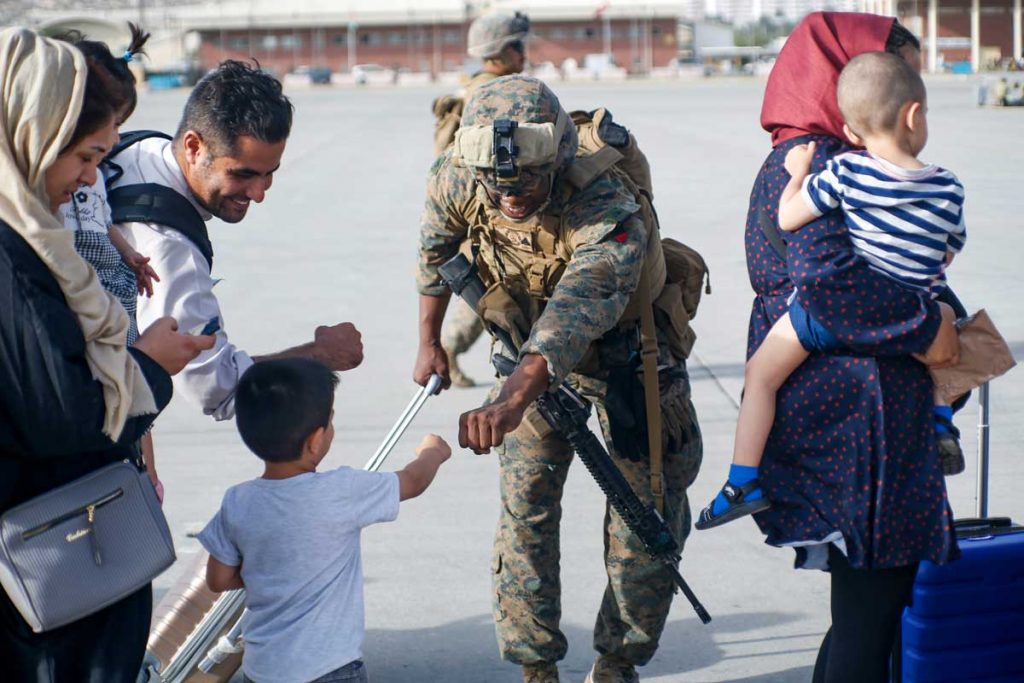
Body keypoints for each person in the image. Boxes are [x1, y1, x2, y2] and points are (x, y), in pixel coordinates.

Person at [414, 75, 702, 683]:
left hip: (630, 363)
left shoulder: (606, 202)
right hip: (523, 359)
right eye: (498, 188)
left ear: (560, 160)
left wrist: (512, 399)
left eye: (527, 185)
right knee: (526, 511)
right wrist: (429, 342)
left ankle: (618, 661)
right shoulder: (459, 173)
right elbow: (436, 249)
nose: (510, 198)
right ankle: (534, 666)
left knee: (644, 515)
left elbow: (576, 309)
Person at [738, 13, 960, 683]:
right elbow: (838, 288)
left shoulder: (801, 158)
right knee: (871, 609)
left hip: (842, 413)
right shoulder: (829, 166)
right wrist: (935, 329)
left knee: (865, 609)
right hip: (857, 424)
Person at [0, 27, 212, 681]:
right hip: (48, 575)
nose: (92, 180)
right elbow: (63, 416)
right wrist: (149, 364)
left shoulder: (32, 232)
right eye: (85, 157)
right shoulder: (13, 256)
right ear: (32, 135)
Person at [697, 50, 968, 530]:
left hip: (834, 316)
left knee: (761, 373)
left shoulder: (845, 171)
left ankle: (742, 481)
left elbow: (787, 220)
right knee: (940, 330)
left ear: (850, 133)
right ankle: (942, 421)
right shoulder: (949, 186)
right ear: (914, 114)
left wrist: (798, 174)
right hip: (922, 306)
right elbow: (949, 250)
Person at [109, 60, 364, 421]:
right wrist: (320, 354)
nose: (258, 193)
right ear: (193, 146)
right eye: (242, 174)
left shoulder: (142, 148)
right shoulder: (167, 247)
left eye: (268, 174)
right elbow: (215, 388)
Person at [197, 358, 451, 683]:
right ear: (315, 440)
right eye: (330, 421)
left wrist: (272, 574)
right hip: (331, 670)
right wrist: (432, 452)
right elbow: (412, 482)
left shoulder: (238, 501)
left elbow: (218, 580)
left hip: (263, 670)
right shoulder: (341, 490)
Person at [57, 23, 169, 501]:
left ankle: (143, 466)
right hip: (82, 273)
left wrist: (131, 256)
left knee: (128, 363)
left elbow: (102, 222)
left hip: (109, 273)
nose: (110, 145)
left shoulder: (93, 175)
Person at [431, 10, 531, 387]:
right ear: (500, 53)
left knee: (488, 290)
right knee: (489, 293)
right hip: (487, 211)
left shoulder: (478, 86)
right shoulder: (492, 95)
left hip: (479, 209)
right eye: (517, 46)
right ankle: (449, 350)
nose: (524, 54)